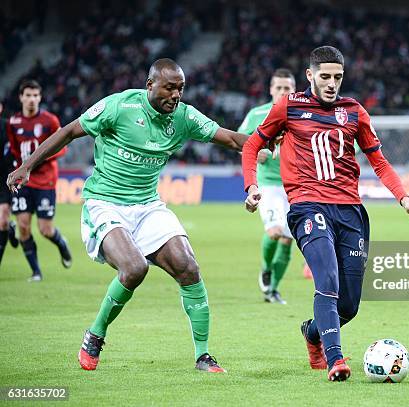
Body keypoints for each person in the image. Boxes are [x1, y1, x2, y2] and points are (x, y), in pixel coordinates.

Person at [7, 58, 252, 373]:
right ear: (150, 85)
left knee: (188, 267)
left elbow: (232, 139)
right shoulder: (119, 106)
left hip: (148, 205)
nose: (176, 95)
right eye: (169, 87)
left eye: (180, 88)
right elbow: (69, 132)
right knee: (134, 268)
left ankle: (203, 355)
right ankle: (95, 333)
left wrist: (268, 142)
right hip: (104, 203)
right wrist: (28, 166)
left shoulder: (184, 117)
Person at [242, 46, 409, 381]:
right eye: (324, 76)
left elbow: (379, 162)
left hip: (351, 212)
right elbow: (252, 144)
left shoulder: (354, 111)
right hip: (307, 206)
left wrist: (405, 199)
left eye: (337, 77)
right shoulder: (289, 107)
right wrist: (251, 186)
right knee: (326, 280)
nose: (331, 83)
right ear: (310, 75)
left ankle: (313, 333)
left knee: (349, 305)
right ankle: (336, 360)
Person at [238, 68, 296, 304]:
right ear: (271, 90)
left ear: (294, 90)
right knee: (274, 232)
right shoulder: (257, 114)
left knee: (287, 239)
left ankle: (273, 289)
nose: (283, 92)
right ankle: (265, 268)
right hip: (269, 184)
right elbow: (240, 140)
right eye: (279, 88)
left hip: (296, 184)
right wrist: (254, 150)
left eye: (287, 88)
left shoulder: (303, 113)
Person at [6, 80, 72, 281]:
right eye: (28, 95)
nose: (32, 99)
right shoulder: (13, 123)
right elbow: (14, 150)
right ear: (21, 97)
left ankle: (61, 243)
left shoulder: (50, 120)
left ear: (40, 97)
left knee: (45, 230)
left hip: (45, 182)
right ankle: (36, 272)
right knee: (24, 226)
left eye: (36, 95)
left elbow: (63, 147)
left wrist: (39, 157)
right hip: (24, 181)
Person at [0, 101, 19, 266]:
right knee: (3, 221)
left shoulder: (8, 127)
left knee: (3, 218)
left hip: (4, 177)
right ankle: (10, 229)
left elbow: (16, 149)